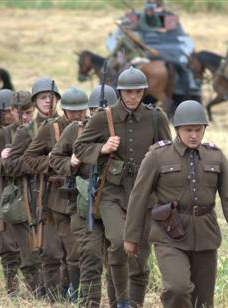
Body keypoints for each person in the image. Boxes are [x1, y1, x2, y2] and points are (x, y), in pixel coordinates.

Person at [124, 100, 228, 308]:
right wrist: (131, 237)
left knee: (203, 301)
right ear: (177, 129)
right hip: (169, 235)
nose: (193, 135)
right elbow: (139, 196)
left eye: (198, 130)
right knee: (177, 288)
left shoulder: (216, 156)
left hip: (205, 234)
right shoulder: (157, 156)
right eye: (188, 130)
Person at [73, 67, 172, 308]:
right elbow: (79, 148)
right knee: (118, 243)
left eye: (138, 91)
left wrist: (157, 154)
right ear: (120, 92)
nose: (133, 97)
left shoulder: (154, 117)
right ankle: (122, 301)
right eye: (128, 92)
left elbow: (168, 149)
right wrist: (102, 148)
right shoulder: (102, 118)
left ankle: (135, 303)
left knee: (140, 253)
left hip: (144, 195)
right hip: (111, 193)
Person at [49, 84, 117, 307]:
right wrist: (71, 162)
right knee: (89, 256)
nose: (102, 114)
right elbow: (55, 159)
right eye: (96, 109)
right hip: (82, 204)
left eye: (106, 110)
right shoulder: (76, 130)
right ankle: (89, 303)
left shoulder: (123, 133)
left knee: (116, 258)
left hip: (117, 202)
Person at [4, 77, 69, 301]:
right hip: (39, 196)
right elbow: (11, 165)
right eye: (43, 98)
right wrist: (43, 162)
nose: (48, 102)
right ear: (35, 101)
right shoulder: (26, 131)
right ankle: (52, 299)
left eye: (52, 98)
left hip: (67, 195)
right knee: (49, 252)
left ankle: (68, 296)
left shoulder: (67, 125)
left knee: (71, 251)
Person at [23, 86, 89, 302]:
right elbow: (30, 158)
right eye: (74, 111)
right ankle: (55, 296)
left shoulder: (91, 126)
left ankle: (76, 295)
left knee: (78, 252)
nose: (79, 115)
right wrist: (54, 161)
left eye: (82, 111)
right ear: (64, 111)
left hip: (84, 197)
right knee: (54, 252)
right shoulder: (50, 129)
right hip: (55, 198)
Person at [0, 90, 44, 297]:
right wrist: (2, 159)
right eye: (21, 113)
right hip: (16, 195)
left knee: (47, 248)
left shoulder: (41, 129)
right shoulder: (3, 134)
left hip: (43, 192)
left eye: (28, 112)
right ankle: (33, 294)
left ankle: (50, 292)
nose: (25, 117)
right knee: (23, 251)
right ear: (12, 111)